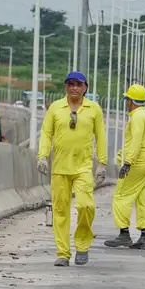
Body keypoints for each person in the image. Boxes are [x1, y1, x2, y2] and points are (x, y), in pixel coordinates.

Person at [37, 71, 108, 266]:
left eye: (78, 84)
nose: (74, 88)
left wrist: (102, 164)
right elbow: (46, 133)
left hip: (83, 168)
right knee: (60, 212)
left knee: (86, 206)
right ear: (66, 87)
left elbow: (101, 137)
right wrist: (42, 156)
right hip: (60, 169)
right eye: (70, 84)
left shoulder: (93, 109)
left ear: (85, 87)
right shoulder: (56, 109)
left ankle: (82, 246)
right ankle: (63, 253)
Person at [104, 84, 145, 250]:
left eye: (126, 99)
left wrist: (128, 163)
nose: (126, 102)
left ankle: (124, 234)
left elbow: (136, 141)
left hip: (137, 163)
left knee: (121, 196)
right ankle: (144, 237)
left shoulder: (137, 118)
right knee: (142, 199)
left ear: (131, 101)